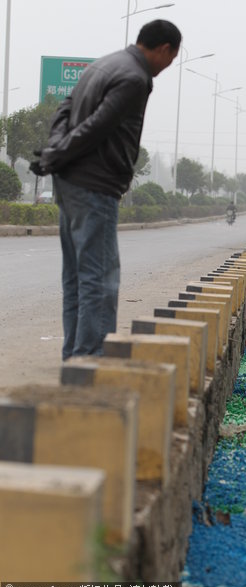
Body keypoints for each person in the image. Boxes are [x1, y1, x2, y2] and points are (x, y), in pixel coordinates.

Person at [30, 20, 181, 360]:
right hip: (95, 185)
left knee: (77, 277)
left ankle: (75, 357)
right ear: (164, 50)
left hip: (69, 181)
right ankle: (91, 361)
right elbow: (97, 127)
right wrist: (59, 152)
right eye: (171, 60)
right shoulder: (134, 77)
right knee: (99, 279)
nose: (167, 67)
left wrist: (55, 150)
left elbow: (65, 110)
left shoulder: (103, 64)